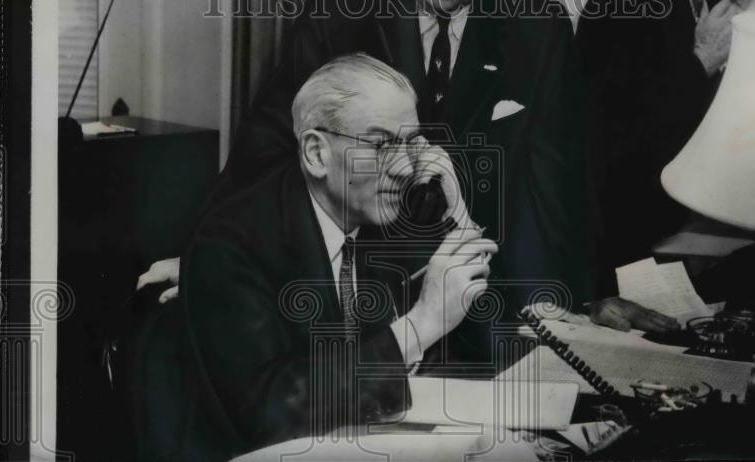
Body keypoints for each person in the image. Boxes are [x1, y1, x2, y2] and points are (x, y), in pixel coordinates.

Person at [139, 0, 676, 343]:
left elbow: (556, 183)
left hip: (479, 297)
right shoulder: (339, 10)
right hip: (352, 297)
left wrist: (583, 294)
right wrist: (210, 257)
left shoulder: (539, 27)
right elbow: (271, 149)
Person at [138, 54, 498, 460]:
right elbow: (273, 414)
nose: (405, 167)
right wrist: (420, 325)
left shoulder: (384, 215)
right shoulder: (230, 243)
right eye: (382, 144)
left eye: (412, 142)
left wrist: (459, 215)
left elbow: (481, 343)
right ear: (316, 153)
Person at [573, 0, 755, 278]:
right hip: (623, 235)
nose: (746, 4)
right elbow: (619, 137)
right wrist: (702, 60)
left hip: (677, 214)